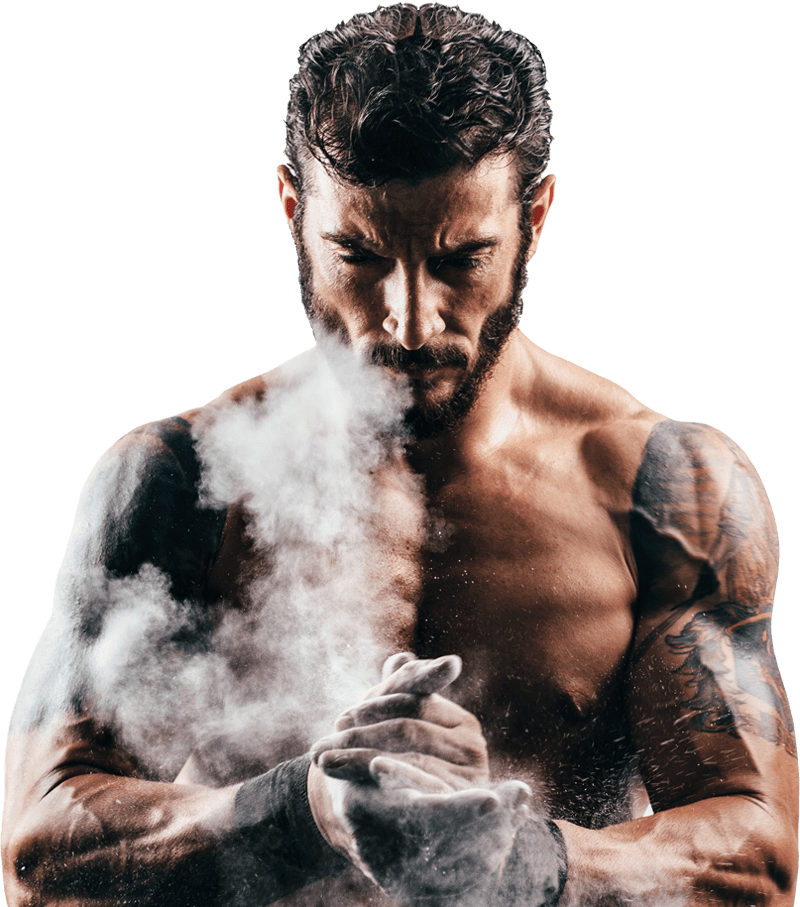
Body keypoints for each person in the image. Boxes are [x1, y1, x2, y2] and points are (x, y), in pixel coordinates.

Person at [2, 3, 797, 905]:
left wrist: (521, 864)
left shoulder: (667, 488)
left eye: (461, 259)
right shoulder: (182, 480)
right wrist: (301, 811)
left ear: (534, 217)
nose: (409, 320)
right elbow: (39, 847)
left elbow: (757, 856)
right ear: (294, 210)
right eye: (359, 255)